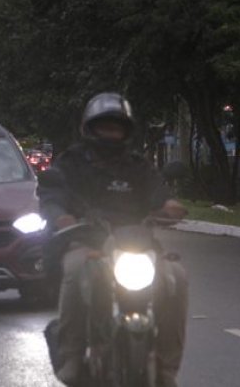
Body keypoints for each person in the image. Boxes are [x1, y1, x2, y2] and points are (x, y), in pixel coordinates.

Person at [38, 92, 188, 387]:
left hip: (137, 245)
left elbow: (158, 193)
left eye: (116, 127)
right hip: (88, 241)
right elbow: (53, 195)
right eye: (104, 126)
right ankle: (71, 356)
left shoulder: (138, 166)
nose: (110, 132)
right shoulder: (72, 163)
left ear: (126, 131)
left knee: (177, 277)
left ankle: (167, 368)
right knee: (75, 270)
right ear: (90, 128)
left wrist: (169, 205)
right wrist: (61, 217)